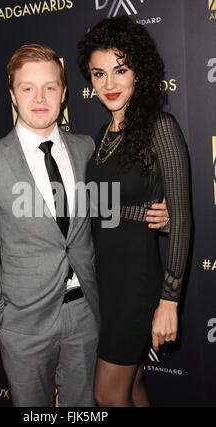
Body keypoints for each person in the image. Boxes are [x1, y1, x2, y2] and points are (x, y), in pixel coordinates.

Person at [0, 43, 169, 407]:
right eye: (27, 87)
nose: (39, 97)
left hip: (87, 313)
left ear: (64, 92)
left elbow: (113, 211)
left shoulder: (87, 148)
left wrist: (159, 216)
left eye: (49, 86)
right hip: (22, 322)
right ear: (13, 95)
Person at [77, 16, 191, 407]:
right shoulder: (101, 136)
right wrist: (141, 212)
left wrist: (169, 302)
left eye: (119, 70)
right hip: (106, 281)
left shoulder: (160, 127)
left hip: (136, 283)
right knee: (132, 385)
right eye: (98, 74)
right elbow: (107, 207)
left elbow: (183, 219)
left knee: (106, 393)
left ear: (138, 70)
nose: (109, 84)